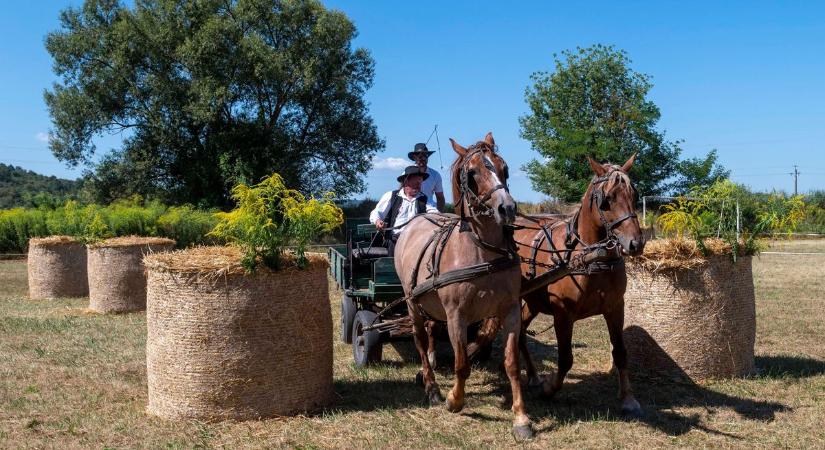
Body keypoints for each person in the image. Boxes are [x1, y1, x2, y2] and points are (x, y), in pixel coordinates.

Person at [370, 165, 438, 256]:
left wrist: (439, 218)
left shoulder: (425, 199)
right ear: (406, 182)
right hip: (396, 241)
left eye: (420, 183)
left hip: (417, 241)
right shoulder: (392, 196)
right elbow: (376, 212)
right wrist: (378, 221)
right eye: (415, 183)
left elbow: (434, 213)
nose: (418, 186)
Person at [408, 143, 445, 212]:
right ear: (414, 158)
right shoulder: (406, 173)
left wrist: (440, 214)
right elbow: (401, 193)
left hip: (430, 209)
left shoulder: (435, 175)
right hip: (411, 207)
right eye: (419, 156)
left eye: (425, 155)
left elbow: (440, 197)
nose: (422, 158)